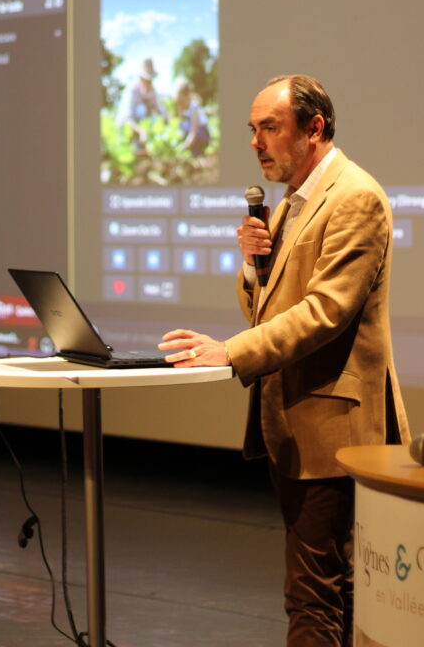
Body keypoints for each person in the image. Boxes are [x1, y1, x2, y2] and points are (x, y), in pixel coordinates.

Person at [159, 74, 409, 647]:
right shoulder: (291, 205)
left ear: (313, 127)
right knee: (334, 592)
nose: (255, 141)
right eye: (253, 129)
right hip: (295, 424)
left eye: (269, 127)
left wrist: (230, 352)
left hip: (333, 430)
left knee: (313, 599)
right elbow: (269, 304)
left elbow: (326, 311)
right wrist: (252, 266)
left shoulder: (355, 197)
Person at [117, 58, 167, 149]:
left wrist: (168, 122)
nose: (149, 82)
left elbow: (161, 111)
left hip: (142, 130)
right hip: (126, 129)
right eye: (147, 80)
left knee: (154, 116)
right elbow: (127, 118)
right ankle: (132, 146)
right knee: (141, 109)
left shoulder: (152, 91)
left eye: (151, 80)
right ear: (141, 79)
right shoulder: (132, 91)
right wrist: (141, 132)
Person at [173, 76, 210, 156]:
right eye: (178, 102)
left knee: (186, 126)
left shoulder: (194, 107)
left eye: (182, 101)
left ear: (188, 97)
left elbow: (193, 131)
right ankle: (191, 149)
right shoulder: (182, 108)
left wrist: (185, 146)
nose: (180, 105)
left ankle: (197, 151)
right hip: (192, 134)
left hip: (202, 134)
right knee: (181, 125)